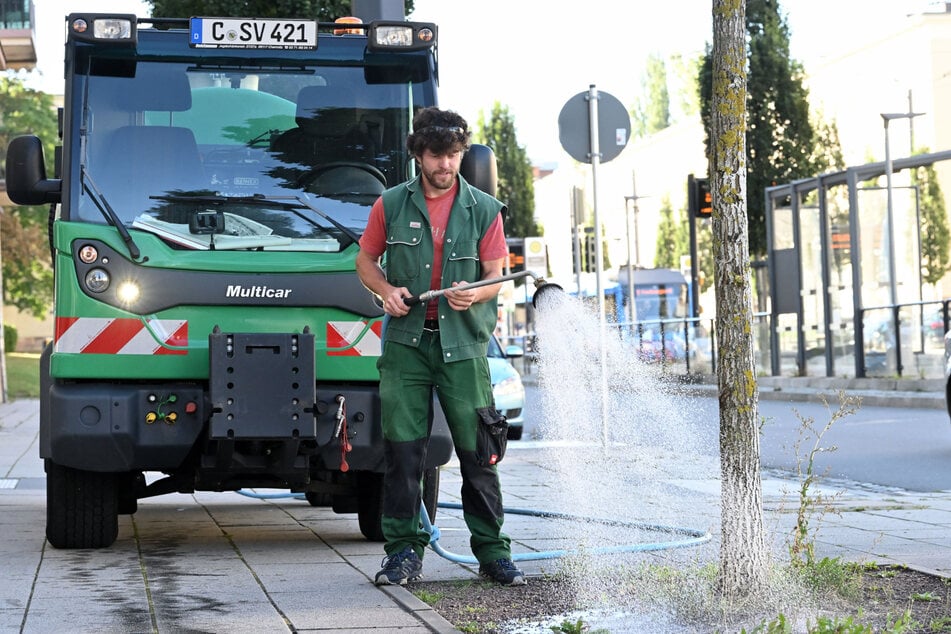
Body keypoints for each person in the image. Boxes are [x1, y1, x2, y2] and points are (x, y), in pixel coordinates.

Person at [355, 107, 526, 587]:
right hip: (407, 347)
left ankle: (493, 553)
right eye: (436, 155)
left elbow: (497, 277)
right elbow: (365, 261)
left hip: (465, 347)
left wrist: (477, 291)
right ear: (418, 155)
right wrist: (384, 291)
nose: (445, 165)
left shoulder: (485, 210)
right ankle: (402, 553)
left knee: (479, 454)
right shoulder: (389, 205)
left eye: (453, 155)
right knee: (404, 455)